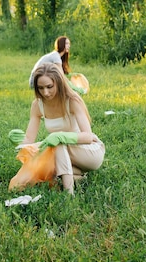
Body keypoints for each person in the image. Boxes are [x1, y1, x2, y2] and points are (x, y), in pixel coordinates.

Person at [14, 63, 105, 195]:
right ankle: (75, 177)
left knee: (57, 144)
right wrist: (19, 142)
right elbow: (29, 140)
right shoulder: (37, 105)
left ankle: (69, 195)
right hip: (66, 154)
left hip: (90, 152)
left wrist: (61, 136)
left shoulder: (72, 100)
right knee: (42, 168)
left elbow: (88, 137)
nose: (45, 92)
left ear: (59, 83)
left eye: (50, 87)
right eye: (41, 88)